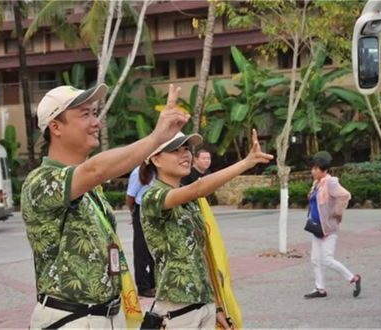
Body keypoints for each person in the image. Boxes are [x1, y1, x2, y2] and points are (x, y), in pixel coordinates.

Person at [21, 83, 188, 329]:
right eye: (85, 114)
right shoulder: (40, 181)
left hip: (107, 316)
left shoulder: (90, 190)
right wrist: (156, 138)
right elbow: (96, 169)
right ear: (55, 127)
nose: (96, 122)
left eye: (94, 113)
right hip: (71, 320)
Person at [140, 129, 272, 328]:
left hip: (204, 304)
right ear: (156, 159)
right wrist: (246, 163)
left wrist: (216, 305)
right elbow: (198, 187)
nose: (185, 154)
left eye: (187, 149)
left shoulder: (192, 203)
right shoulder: (153, 197)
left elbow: (202, 254)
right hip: (176, 307)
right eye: (176, 150)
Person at [304, 155, 362, 299]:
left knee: (327, 259)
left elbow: (345, 195)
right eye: (313, 168)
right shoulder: (317, 183)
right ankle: (320, 288)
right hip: (317, 227)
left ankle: (353, 278)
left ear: (324, 170)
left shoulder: (330, 182)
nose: (313, 171)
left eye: (316, 168)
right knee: (315, 259)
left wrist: (337, 213)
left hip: (328, 228)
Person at [126, 166, 155, 298]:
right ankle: (143, 287)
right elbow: (130, 196)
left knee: (155, 249)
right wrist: (133, 213)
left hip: (158, 209)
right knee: (141, 250)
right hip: (142, 208)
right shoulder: (139, 172)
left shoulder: (162, 169)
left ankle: (154, 282)